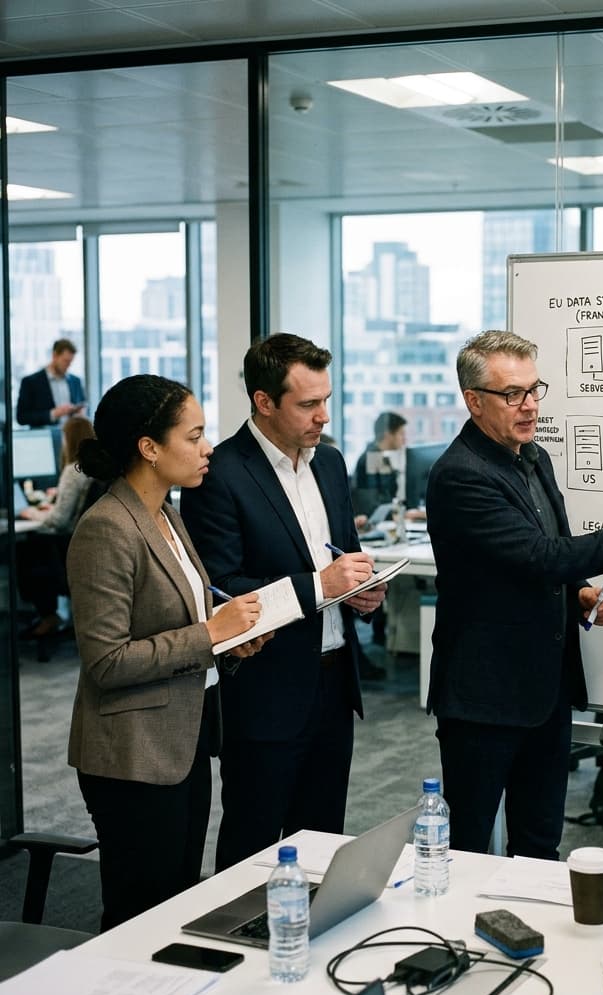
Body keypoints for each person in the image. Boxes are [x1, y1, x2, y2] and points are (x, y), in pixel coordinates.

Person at [426, 329, 603, 860]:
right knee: (466, 850)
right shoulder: (460, 475)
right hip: (485, 698)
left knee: (540, 843)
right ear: (474, 401)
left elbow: (549, 551)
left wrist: (578, 592)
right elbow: (539, 556)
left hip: (545, 691)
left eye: (534, 389)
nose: (530, 405)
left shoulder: (534, 457)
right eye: (513, 394)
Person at [180, 332, 386, 871]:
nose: (323, 416)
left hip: (334, 681)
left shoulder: (330, 463)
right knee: (251, 845)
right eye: (308, 404)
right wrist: (323, 586)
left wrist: (363, 591)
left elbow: (345, 556)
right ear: (264, 401)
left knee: (322, 842)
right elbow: (221, 587)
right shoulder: (219, 474)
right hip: (265, 690)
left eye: (327, 400)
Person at [66, 375, 266, 929]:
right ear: (149, 448)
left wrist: (231, 640)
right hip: (132, 756)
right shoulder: (107, 528)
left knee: (177, 902)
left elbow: (181, 622)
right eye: (194, 436)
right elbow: (106, 662)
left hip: (182, 739)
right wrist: (210, 634)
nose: (208, 448)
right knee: (139, 915)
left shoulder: (166, 513)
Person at [16, 416, 97, 640]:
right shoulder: (91, 469)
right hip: (81, 545)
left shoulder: (73, 470)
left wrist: (30, 513)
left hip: (65, 547)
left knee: (24, 550)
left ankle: (48, 617)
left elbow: (59, 520)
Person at [16, 338, 86, 427]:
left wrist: (80, 413)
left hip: (73, 434)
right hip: (44, 434)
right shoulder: (30, 382)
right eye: (65, 361)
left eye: (70, 362)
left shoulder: (76, 381)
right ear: (54, 356)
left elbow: (82, 404)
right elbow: (21, 417)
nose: (68, 366)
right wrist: (53, 414)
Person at [353, 411, 407, 515]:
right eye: (401, 434)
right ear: (388, 435)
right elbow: (372, 506)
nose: (404, 439)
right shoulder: (373, 458)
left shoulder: (379, 456)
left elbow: (387, 494)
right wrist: (400, 514)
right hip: (372, 521)